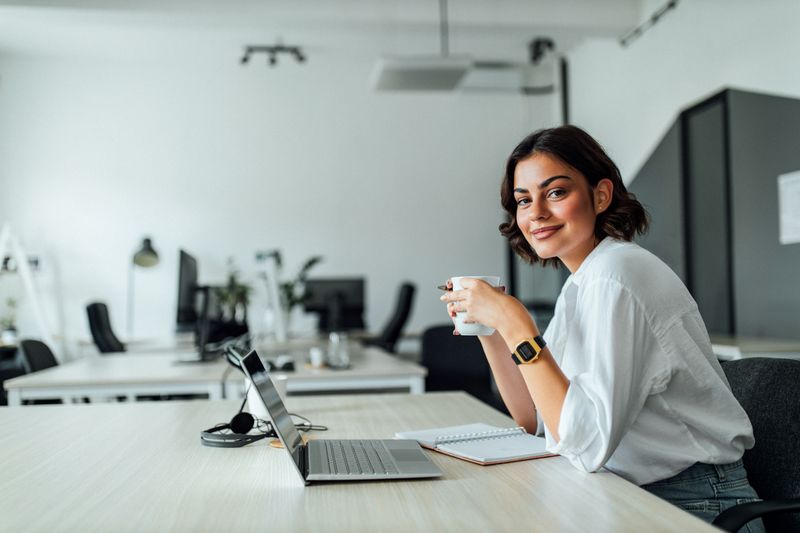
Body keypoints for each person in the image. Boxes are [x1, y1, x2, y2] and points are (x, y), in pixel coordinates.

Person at [440, 125, 763, 530]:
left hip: (696, 503)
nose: (536, 212)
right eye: (524, 200)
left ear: (600, 195)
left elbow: (585, 444)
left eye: (555, 192)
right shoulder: (582, 285)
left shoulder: (618, 275)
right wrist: (491, 329)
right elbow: (535, 419)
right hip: (624, 490)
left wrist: (515, 321)